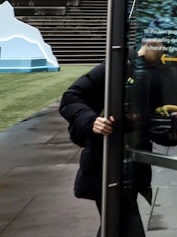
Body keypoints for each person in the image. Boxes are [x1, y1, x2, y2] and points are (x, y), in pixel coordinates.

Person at [59, 62, 145, 236]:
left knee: (117, 224)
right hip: (106, 164)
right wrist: (92, 121)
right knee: (123, 224)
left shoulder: (159, 70)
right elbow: (70, 98)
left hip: (133, 165)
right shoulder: (119, 65)